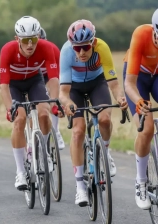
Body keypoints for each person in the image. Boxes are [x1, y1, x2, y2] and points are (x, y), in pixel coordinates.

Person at [59, 20, 127, 206]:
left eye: (86, 47)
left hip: (97, 83)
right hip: (75, 88)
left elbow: (113, 84)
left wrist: (121, 99)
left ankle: (105, 151)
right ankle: (80, 185)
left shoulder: (102, 48)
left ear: (93, 42)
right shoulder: (66, 52)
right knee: (78, 131)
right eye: (77, 48)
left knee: (104, 119)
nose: (81, 52)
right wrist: (68, 103)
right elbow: (63, 93)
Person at [0, 16, 61, 190]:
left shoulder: (46, 47)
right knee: (19, 120)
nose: (30, 45)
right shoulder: (8, 50)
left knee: (43, 113)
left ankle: (45, 151)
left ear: (38, 37)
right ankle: (20, 171)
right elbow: (3, 85)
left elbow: (54, 79)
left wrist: (54, 103)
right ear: (17, 39)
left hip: (35, 81)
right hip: (14, 84)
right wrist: (9, 107)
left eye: (33, 39)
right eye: (25, 40)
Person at [123, 9, 158, 210]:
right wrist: (139, 102)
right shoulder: (141, 34)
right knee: (146, 129)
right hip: (139, 79)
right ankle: (141, 182)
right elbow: (129, 84)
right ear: (154, 31)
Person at [39, 27, 65, 150]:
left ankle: (55, 129)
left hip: (48, 75)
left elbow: (57, 76)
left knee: (54, 94)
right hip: (31, 76)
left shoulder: (52, 49)